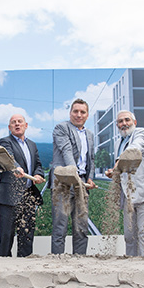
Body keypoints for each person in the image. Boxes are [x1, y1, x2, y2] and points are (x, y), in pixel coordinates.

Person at [105, 110, 144, 256]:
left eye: (127, 120)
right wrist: (114, 171)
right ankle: (131, 267)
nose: (124, 124)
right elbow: (122, 168)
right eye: (120, 122)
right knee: (129, 236)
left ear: (134, 122)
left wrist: (118, 162)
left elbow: (134, 149)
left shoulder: (140, 133)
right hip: (129, 197)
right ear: (117, 125)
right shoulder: (118, 142)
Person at [50, 98, 96, 255]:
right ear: (70, 113)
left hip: (81, 183)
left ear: (87, 115)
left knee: (81, 226)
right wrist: (74, 174)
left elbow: (91, 159)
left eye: (82, 112)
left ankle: (80, 260)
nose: (79, 114)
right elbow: (66, 151)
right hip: (63, 182)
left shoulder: (89, 134)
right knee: (60, 226)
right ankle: (57, 261)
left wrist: (89, 178)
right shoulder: (61, 128)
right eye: (75, 111)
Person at [0, 114, 45, 257]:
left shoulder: (32, 145)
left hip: (28, 196)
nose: (17, 124)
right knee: (6, 235)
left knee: (27, 234)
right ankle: (4, 266)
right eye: (13, 122)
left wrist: (38, 174)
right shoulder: (5, 142)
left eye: (20, 122)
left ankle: (25, 265)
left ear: (26, 125)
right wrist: (16, 167)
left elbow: (38, 165)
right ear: (9, 127)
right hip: (9, 196)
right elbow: (8, 158)